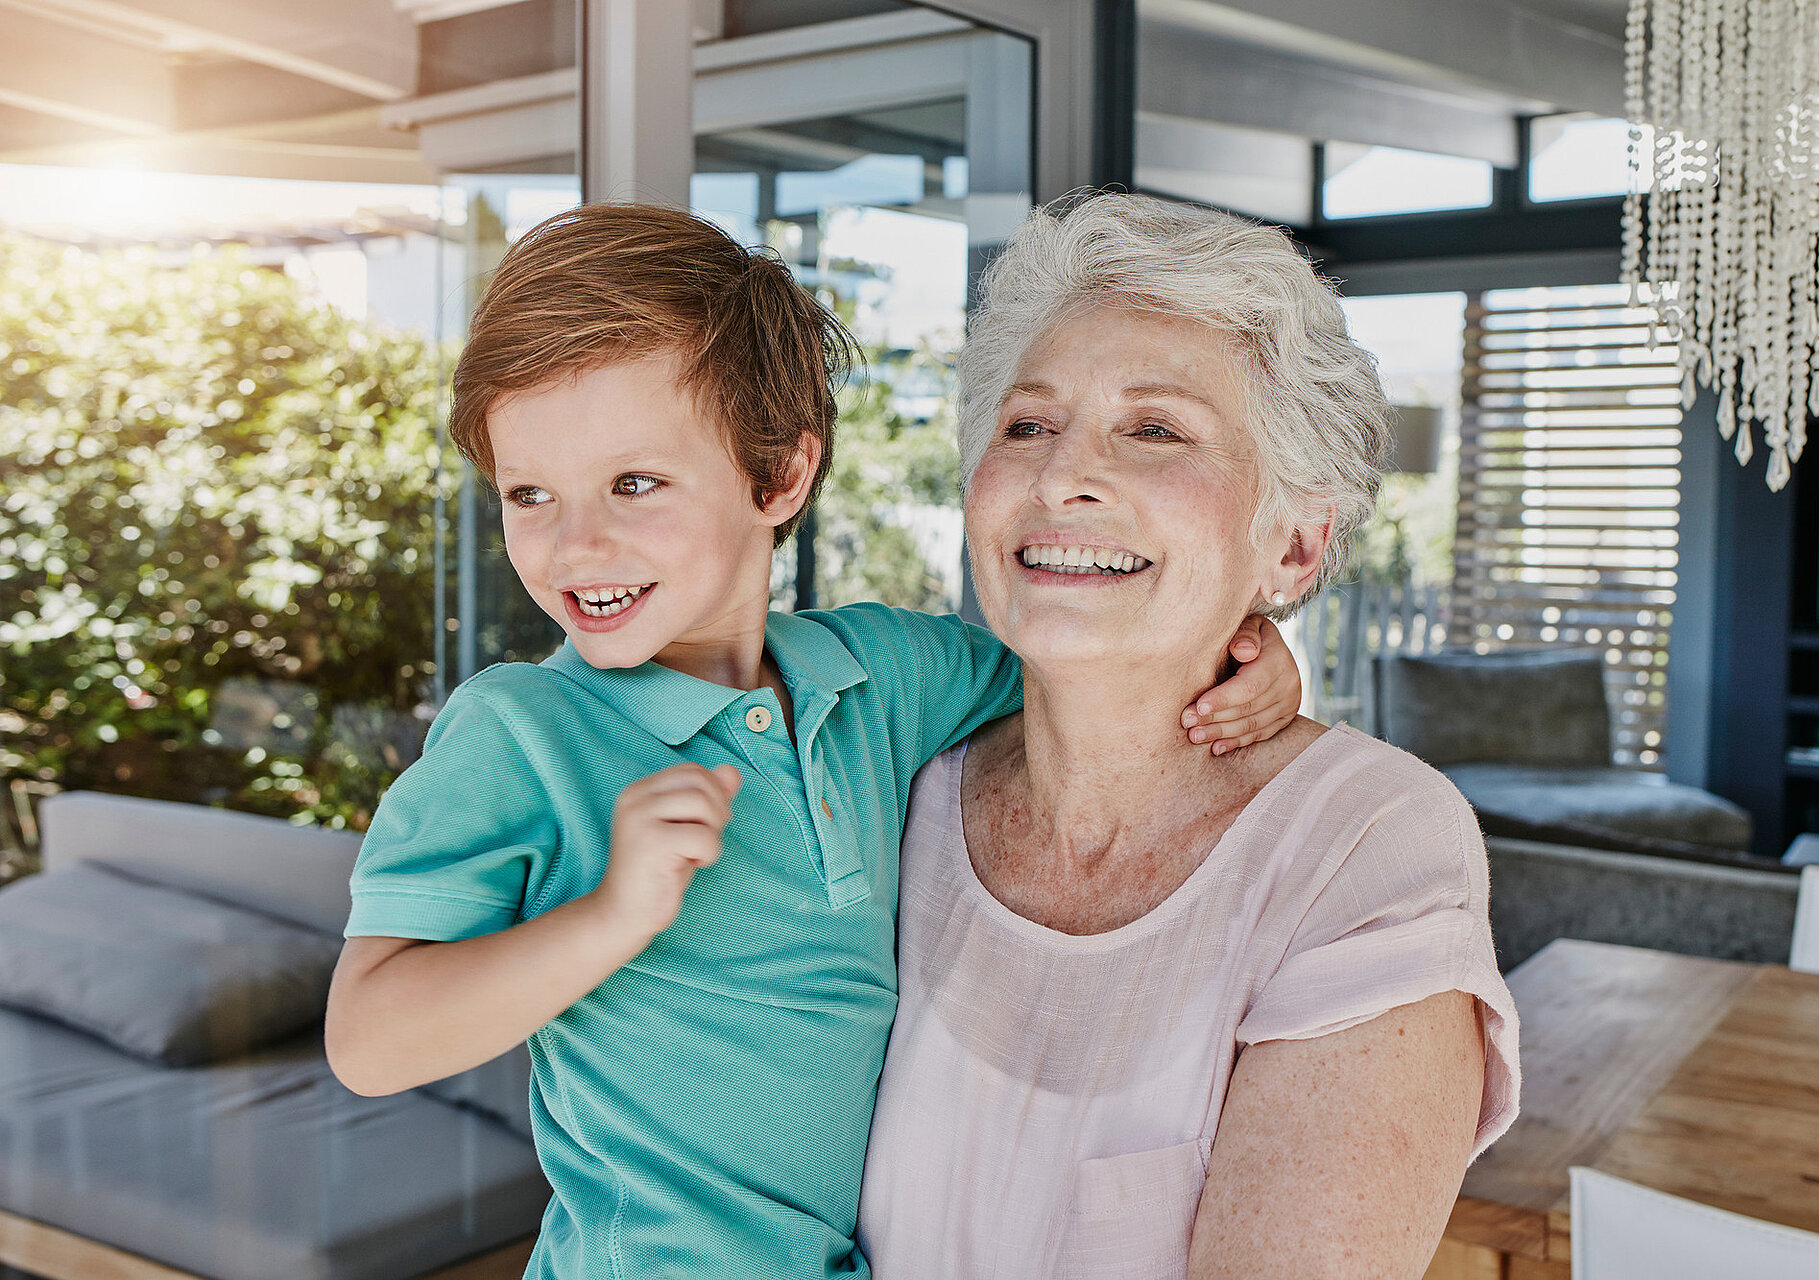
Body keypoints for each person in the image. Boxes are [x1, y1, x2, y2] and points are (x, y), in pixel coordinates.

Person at [322, 202, 1303, 1279]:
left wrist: (1241, 644)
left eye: (633, 483)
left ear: (781, 477)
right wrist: (610, 915)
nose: (574, 542)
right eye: (529, 494)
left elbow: (1087, 671)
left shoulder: (886, 675)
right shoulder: (520, 732)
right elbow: (370, 1038)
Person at [856, 193, 1522, 1279]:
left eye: (1155, 428)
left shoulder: (1363, 844)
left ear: (1295, 549)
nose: (1061, 472)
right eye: (1026, 424)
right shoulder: (889, 786)